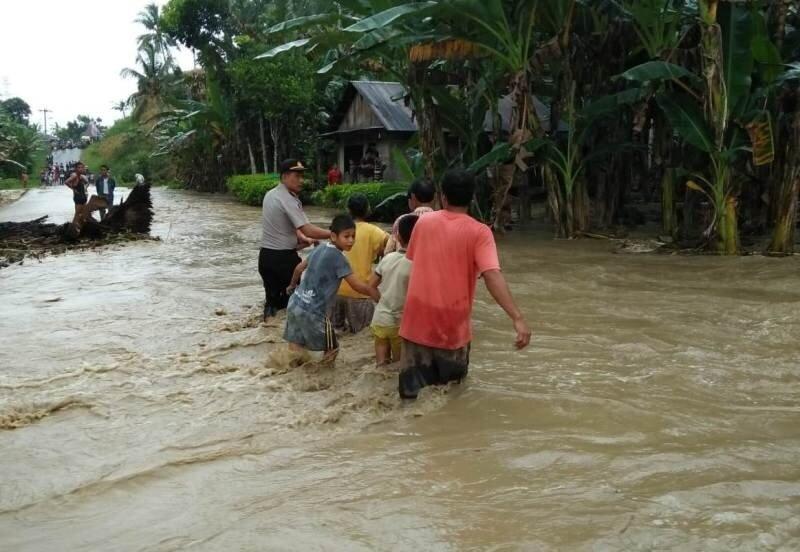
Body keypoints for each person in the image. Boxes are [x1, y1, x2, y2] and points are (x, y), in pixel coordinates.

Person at [398, 169, 532, 399]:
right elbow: (492, 275)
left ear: (443, 197)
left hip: (415, 326)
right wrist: (517, 318)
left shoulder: (423, 224)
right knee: (450, 401)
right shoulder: (480, 233)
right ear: (472, 198)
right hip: (451, 332)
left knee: (410, 400)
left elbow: (409, 266)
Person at [282, 214, 380, 365]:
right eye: (346, 236)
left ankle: (291, 374)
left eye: (353, 236)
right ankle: (322, 379)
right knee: (332, 349)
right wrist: (375, 293)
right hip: (316, 313)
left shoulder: (319, 248)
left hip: (296, 303)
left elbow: (299, 268)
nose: (351, 240)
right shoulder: (339, 259)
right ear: (333, 236)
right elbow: (356, 285)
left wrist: (292, 285)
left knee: (296, 346)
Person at [259, 159, 331, 321]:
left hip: (265, 258)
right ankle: (285, 342)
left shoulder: (270, 195)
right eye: (296, 176)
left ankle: (266, 335)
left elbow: (283, 226)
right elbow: (307, 228)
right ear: (284, 176)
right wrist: (333, 233)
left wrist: (303, 238)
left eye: (301, 176)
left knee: (271, 303)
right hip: (284, 262)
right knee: (291, 306)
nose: (301, 180)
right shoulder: (289, 199)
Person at [331, 193, 388, 334]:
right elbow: (391, 245)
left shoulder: (340, 230)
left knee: (335, 334)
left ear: (348, 209)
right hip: (361, 293)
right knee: (363, 336)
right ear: (367, 209)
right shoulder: (374, 231)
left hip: (335, 292)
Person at [368, 214, 418, 365]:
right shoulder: (416, 265)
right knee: (398, 367)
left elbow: (371, 286)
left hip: (380, 319)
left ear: (398, 238)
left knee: (381, 366)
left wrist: (382, 302)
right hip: (399, 324)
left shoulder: (387, 259)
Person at [385, 177, 436, 255]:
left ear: (413, 197)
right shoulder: (444, 220)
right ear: (434, 198)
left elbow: (388, 252)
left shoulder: (401, 221)